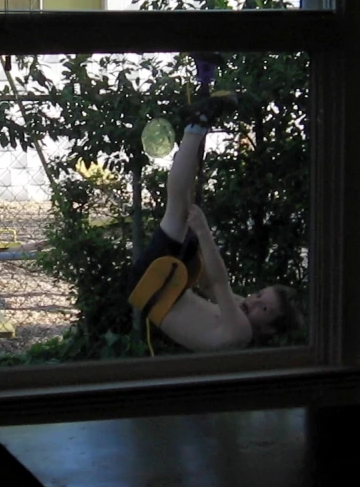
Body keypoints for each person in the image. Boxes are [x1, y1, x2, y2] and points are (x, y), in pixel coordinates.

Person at [129, 93, 304, 352]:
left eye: (264, 308)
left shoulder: (241, 332)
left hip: (153, 285)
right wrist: (195, 248)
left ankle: (195, 126)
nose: (252, 302)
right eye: (259, 295)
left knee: (177, 210)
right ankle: (195, 126)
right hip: (166, 286)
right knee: (182, 207)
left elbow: (220, 282)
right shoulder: (241, 314)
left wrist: (202, 230)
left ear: (268, 329)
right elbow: (210, 286)